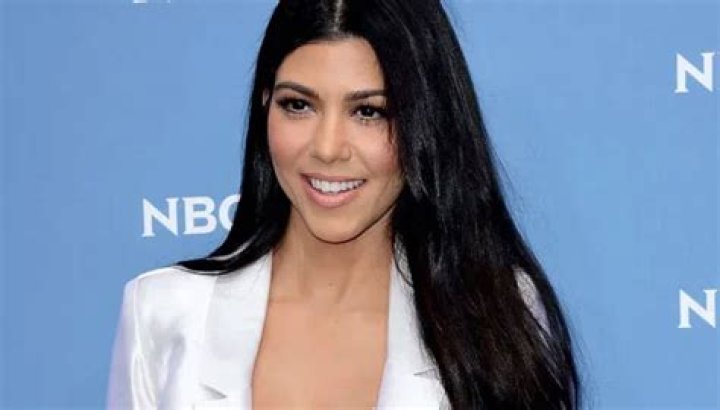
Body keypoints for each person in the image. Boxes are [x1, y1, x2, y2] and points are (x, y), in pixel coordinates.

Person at [106, 0, 582, 408]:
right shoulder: (164, 313)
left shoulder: (494, 313)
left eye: (368, 112)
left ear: (426, 121)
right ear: (265, 102)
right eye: (299, 105)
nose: (328, 148)